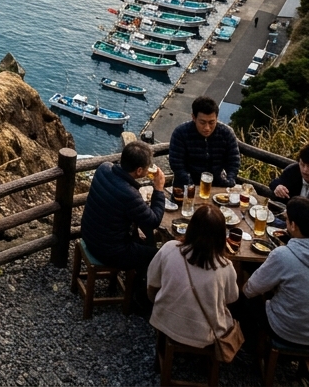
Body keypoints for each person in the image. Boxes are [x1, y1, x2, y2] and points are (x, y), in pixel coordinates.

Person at [147, 205, 239, 349]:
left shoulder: (169, 248)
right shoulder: (226, 267)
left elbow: (152, 284)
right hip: (205, 335)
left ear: (191, 228)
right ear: (221, 236)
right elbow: (231, 298)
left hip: (165, 321)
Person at [80, 140, 165, 275]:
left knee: (146, 241)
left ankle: (139, 279)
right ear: (139, 170)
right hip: (109, 252)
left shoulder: (104, 168)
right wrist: (159, 189)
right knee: (158, 255)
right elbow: (153, 221)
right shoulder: (130, 194)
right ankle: (141, 292)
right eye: (147, 166)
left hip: (88, 235)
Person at [244, 196, 309, 348]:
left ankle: (250, 343)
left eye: (287, 220)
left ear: (293, 225)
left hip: (285, 330)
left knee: (245, 290)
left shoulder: (283, 255)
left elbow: (250, 290)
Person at [168, 96, 240, 188]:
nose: (207, 128)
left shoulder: (226, 133)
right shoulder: (181, 133)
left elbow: (234, 160)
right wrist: (191, 186)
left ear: (217, 118)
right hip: (185, 186)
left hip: (217, 185)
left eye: (211, 122)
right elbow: (177, 165)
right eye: (202, 122)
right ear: (194, 117)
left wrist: (230, 181)